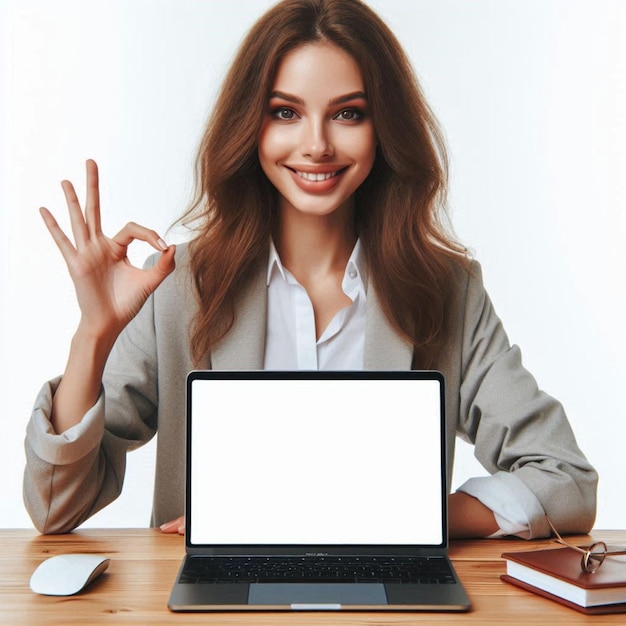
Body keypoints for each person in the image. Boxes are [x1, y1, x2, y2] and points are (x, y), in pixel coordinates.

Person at [24, 0, 597, 539]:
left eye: (348, 113)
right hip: (209, 606)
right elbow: (56, 507)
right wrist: (93, 334)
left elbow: (566, 480)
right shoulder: (180, 285)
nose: (317, 144)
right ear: (251, 126)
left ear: (384, 129)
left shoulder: (447, 289)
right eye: (286, 112)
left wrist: (400, 516)